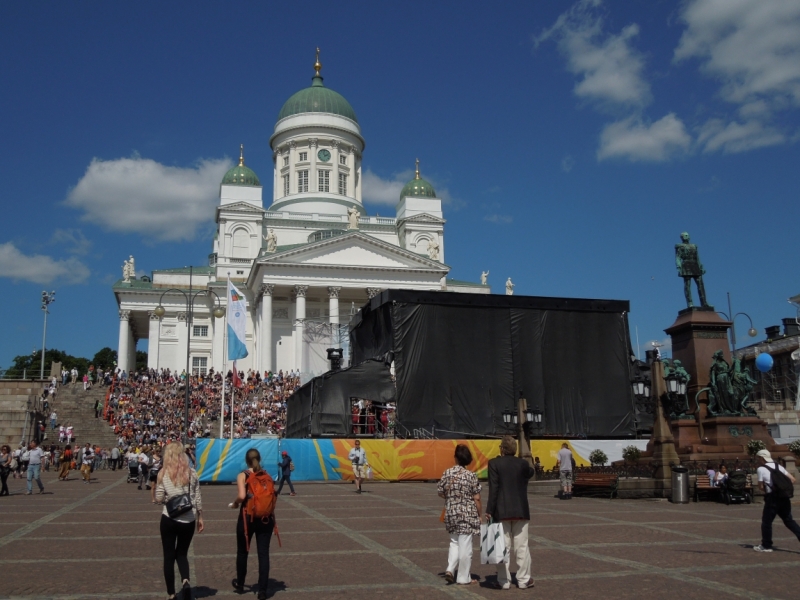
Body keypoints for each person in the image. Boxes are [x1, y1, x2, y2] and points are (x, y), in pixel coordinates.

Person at [486, 435, 536, 589]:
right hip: (521, 509)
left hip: (501, 510)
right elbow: (531, 471)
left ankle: (503, 581)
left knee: (502, 546)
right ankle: (523, 579)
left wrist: (489, 510)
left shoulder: (494, 463)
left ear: (501, 449)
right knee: (522, 546)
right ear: (514, 449)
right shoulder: (522, 464)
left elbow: (494, 489)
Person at [155, 442, 204, 600]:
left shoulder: (163, 473)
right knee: (182, 554)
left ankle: (171, 593)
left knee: (168, 556)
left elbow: (158, 497)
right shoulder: (192, 473)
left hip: (169, 517)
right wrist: (200, 517)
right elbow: (197, 497)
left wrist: (167, 496)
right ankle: (185, 581)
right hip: (188, 518)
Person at [230, 448, 276, 599]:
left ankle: (241, 583)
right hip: (266, 519)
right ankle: (262, 590)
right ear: (259, 458)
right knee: (263, 554)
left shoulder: (243, 475)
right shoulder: (266, 475)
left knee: (243, 551)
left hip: (247, 518)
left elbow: (242, 496)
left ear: (246, 460)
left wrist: (235, 503)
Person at [438, 444, 481, 585]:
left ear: (456, 458)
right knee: (465, 546)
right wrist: (480, 514)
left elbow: (440, 491)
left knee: (454, 543)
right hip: (467, 515)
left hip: (451, 513)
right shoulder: (471, 475)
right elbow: (477, 498)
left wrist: (452, 498)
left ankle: (450, 569)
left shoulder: (447, 473)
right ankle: (463, 577)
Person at [753, 449, 800, 552]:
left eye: (758, 458)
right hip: (784, 497)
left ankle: (766, 545)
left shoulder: (761, 469)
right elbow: (793, 479)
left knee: (767, 522)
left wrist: (768, 488)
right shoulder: (779, 466)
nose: (758, 460)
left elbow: (760, 486)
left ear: (762, 458)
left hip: (772, 498)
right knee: (789, 520)